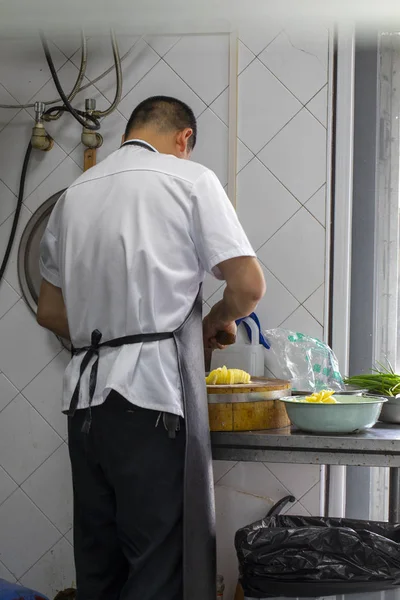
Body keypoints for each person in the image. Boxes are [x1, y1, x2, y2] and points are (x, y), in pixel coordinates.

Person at [37, 95, 266, 600]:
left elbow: (50, 312)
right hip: (152, 401)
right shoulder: (188, 179)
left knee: (99, 569)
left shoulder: (73, 195)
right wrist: (216, 320)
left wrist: (111, 319)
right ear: (183, 139)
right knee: (158, 568)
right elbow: (248, 286)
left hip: (85, 405)